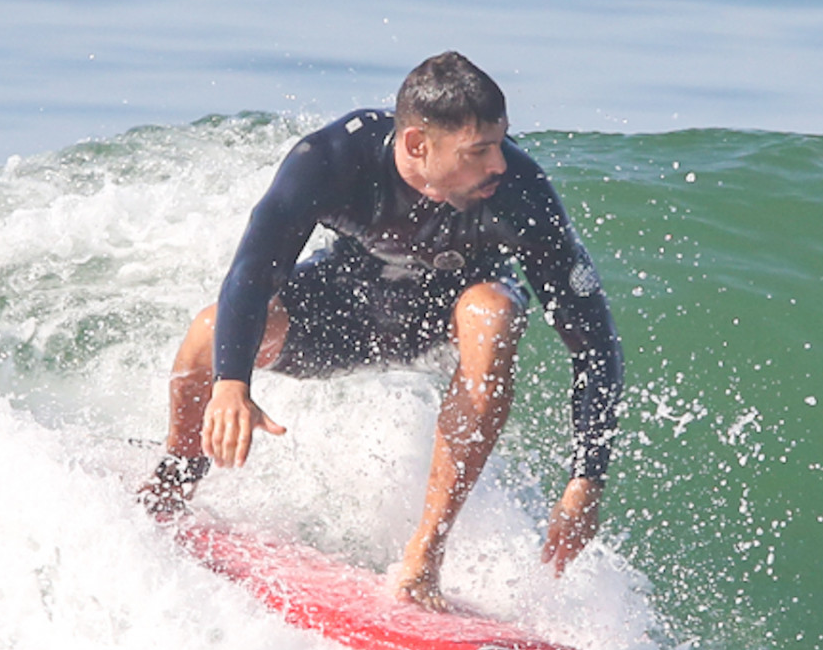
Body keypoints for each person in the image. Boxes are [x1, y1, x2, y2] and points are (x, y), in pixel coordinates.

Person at [140, 51, 622, 610]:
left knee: (492, 311)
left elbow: (594, 344)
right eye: (478, 151)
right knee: (211, 329)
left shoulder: (519, 193)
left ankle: (426, 555)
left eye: (500, 143)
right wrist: (231, 384)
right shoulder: (333, 158)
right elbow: (251, 271)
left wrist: (587, 478)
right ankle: (174, 480)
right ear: (418, 144)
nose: (499, 165)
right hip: (346, 306)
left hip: (444, 319)